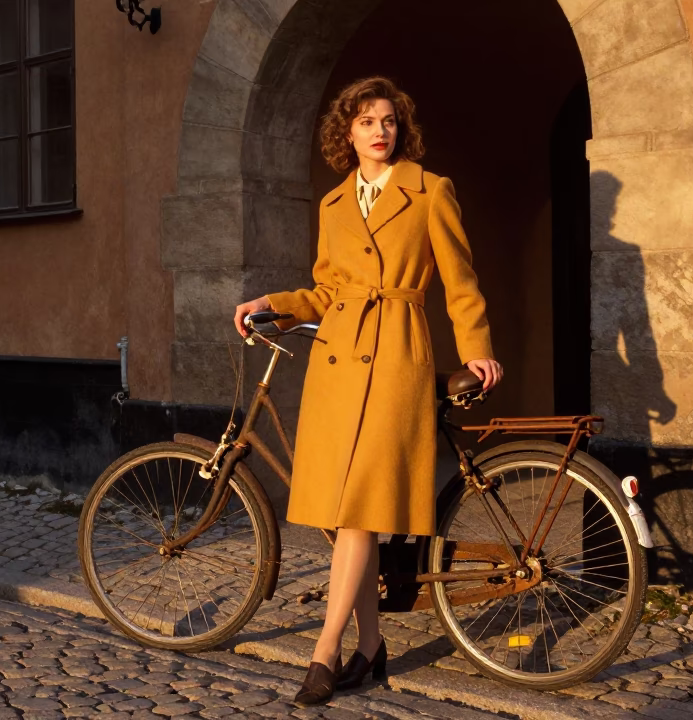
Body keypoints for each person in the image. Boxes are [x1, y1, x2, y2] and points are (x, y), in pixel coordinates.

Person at [232, 76, 502, 706]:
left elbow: (461, 280)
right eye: (366, 121)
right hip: (337, 363)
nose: (380, 131)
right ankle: (371, 647)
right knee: (345, 512)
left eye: (388, 121)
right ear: (346, 133)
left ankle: (324, 651)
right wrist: (274, 301)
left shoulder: (431, 191)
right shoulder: (332, 206)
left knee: (358, 510)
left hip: (396, 354)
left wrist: (478, 347)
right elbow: (326, 293)